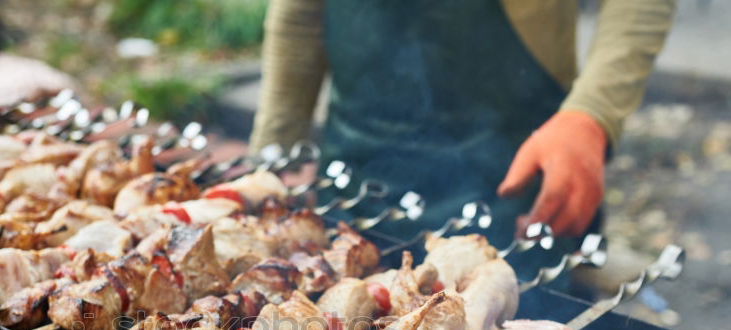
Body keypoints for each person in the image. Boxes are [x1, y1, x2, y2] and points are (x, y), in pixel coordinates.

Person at [249, 0, 676, 251]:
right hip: (360, 169)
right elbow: (300, 9)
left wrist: (591, 115)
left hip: (514, 166)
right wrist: (276, 144)